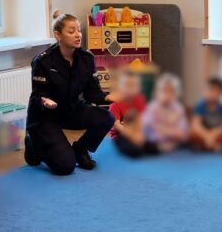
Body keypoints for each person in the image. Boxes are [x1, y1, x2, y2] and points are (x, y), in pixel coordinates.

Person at [25, 12, 115, 176]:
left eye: (79, 30)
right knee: (65, 167)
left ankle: (81, 149)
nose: (78, 35)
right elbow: (38, 95)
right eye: (71, 31)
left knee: (107, 117)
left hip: (70, 110)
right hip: (45, 116)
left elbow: (92, 93)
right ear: (58, 35)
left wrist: (108, 97)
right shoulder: (43, 61)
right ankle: (33, 144)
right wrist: (45, 101)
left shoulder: (87, 59)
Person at [109, 70, 157, 159]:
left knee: (155, 147)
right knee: (135, 151)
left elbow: (142, 118)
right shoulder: (115, 104)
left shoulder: (139, 99)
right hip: (120, 135)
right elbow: (116, 125)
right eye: (127, 85)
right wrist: (132, 136)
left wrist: (140, 134)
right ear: (121, 87)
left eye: (133, 85)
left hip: (137, 131)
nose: (130, 89)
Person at [142, 73, 190, 153]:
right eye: (164, 91)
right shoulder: (152, 108)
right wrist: (164, 134)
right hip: (156, 144)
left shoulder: (178, 108)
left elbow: (183, 131)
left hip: (176, 144)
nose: (168, 95)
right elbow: (147, 129)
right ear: (157, 92)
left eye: (171, 91)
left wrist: (169, 132)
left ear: (176, 93)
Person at [189, 76, 222, 153]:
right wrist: (206, 135)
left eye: (214, 91)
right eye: (208, 90)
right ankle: (214, 146)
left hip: (216, 133)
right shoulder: (200, 105)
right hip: (203, 133)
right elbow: (195, 125)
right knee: (192, 133)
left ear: (221, 93)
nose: (210, 93)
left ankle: (207, 146)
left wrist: (214, 133)